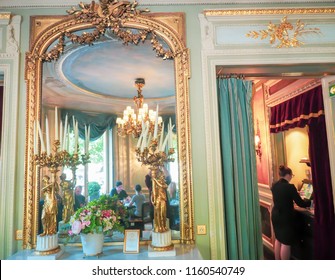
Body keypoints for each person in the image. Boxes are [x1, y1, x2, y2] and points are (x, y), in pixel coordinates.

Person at [271, 165, 311, 260]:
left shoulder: (274, 185)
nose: (291, 177)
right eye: (291, 175)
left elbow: (280, 199)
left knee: (278, 239)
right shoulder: (290, 187)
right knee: (286, 243)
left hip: (276, 215)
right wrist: (310, 202)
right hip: (285, 218)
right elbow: (300, 203)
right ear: (288, 175)